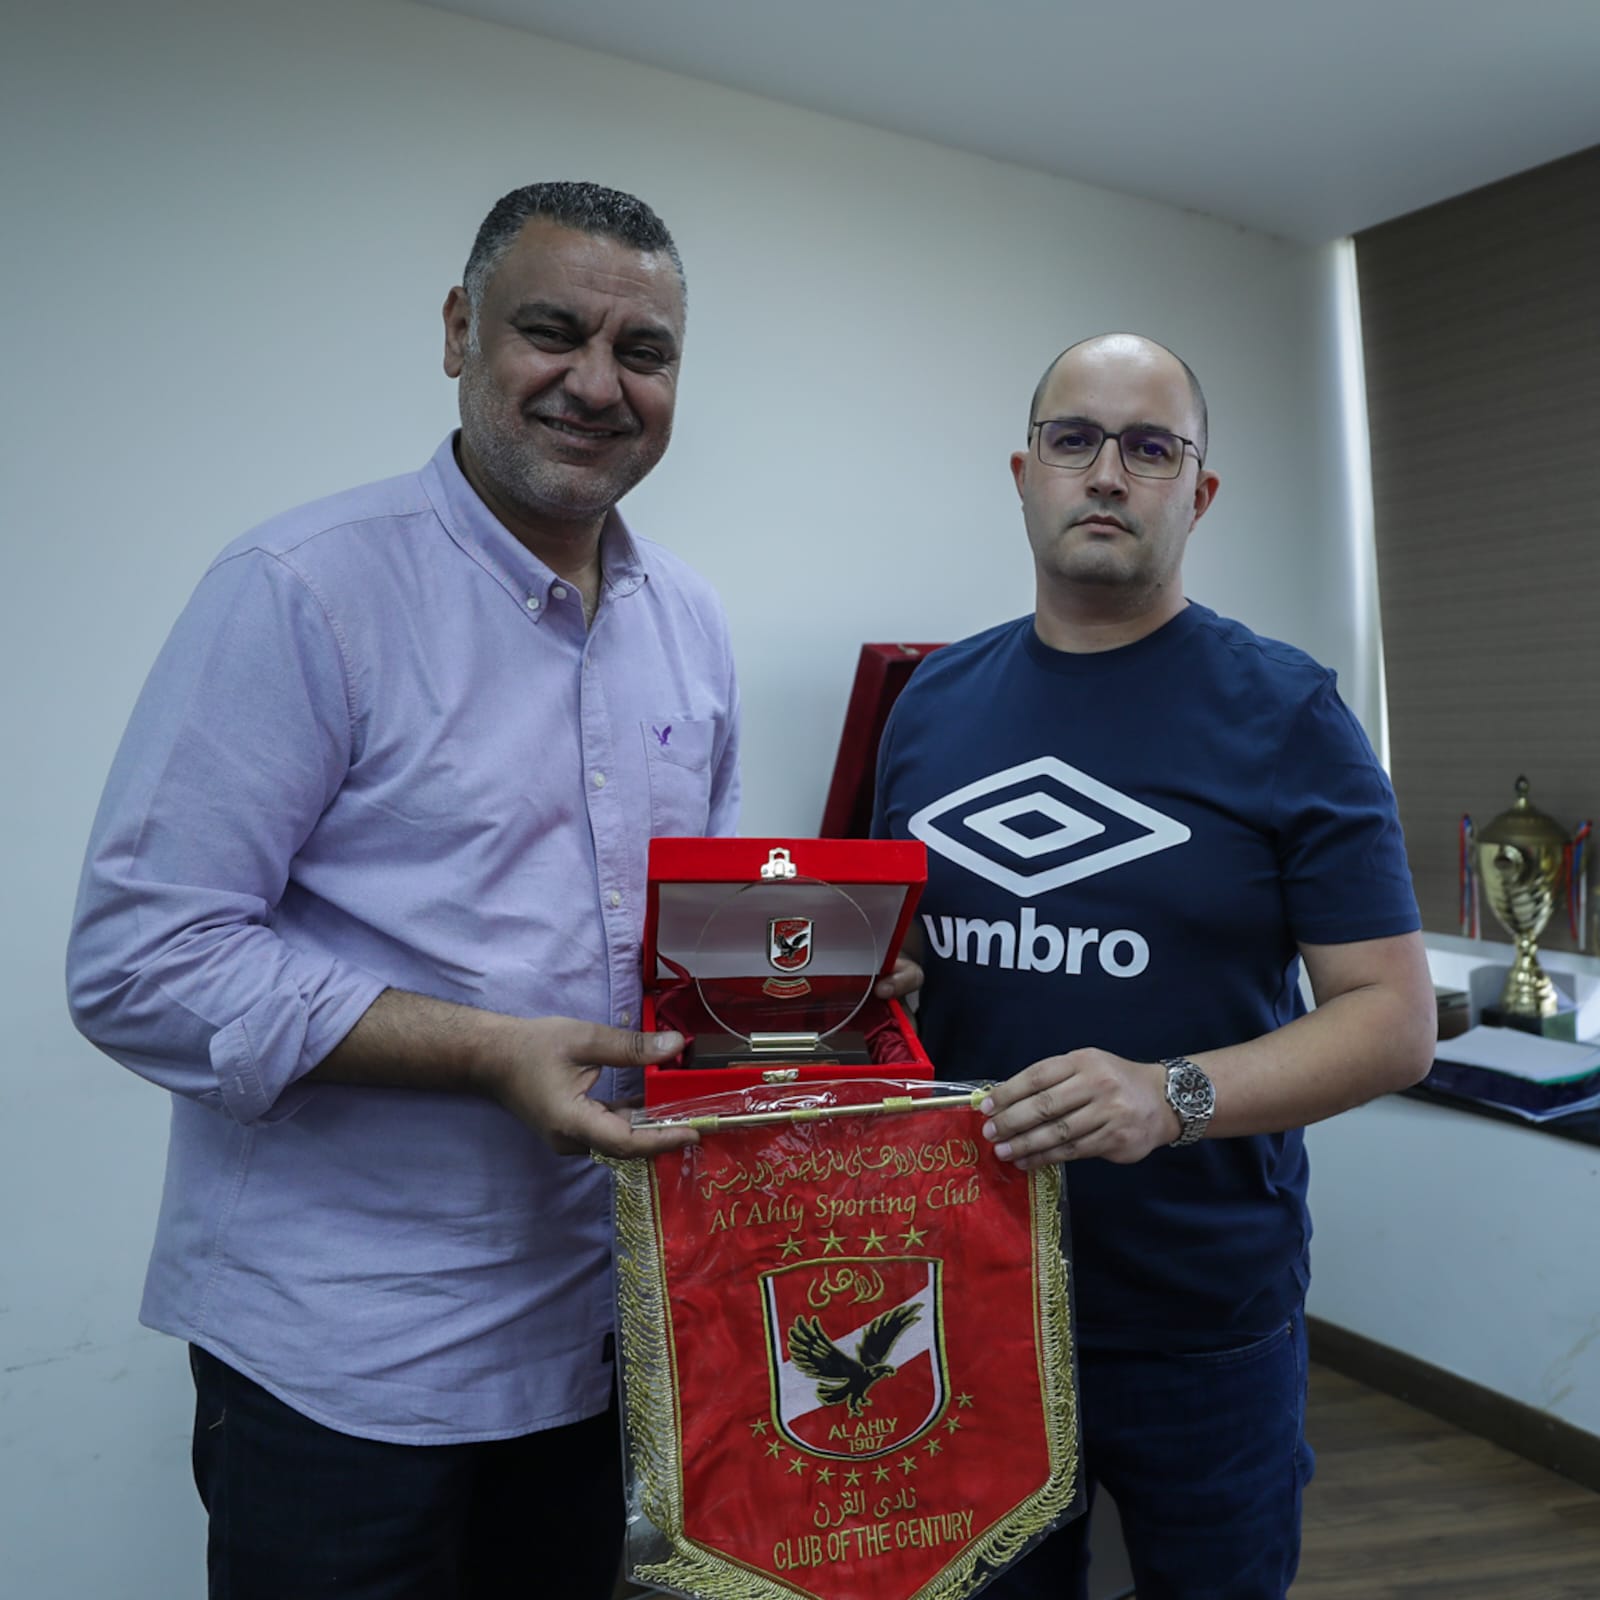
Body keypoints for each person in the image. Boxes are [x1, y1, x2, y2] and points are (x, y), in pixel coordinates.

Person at [67, 181, 745, 1599]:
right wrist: (486, 1052)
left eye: (644, 352)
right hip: (341, 1363)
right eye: (552, 332)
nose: (597, 384)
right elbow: (140, 962)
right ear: (457, 332)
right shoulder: (299, 589)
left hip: (603, 1338)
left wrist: (810, 985)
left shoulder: (690, 621)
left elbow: (687, 948)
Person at [872, 333, 1436, 1600]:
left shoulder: (1288, 714)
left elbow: (1393, 1020)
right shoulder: (930, 704)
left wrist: (1166, 1094)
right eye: (1073, 440)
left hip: (1199, 1318)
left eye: (1149, 447)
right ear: (1024, 473)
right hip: (963, 1296)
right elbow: (898, 953)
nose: (1106, 473)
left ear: (1199, 490)